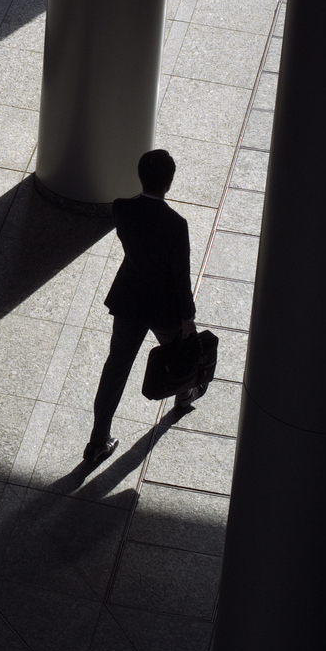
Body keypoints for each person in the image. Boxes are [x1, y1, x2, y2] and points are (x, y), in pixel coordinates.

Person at [84, 148, 197, 464]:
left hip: (130, 299)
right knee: (180, 353)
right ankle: (184, 393)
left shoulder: (122, 209)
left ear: (140, 176)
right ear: (169, 183)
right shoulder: (177, 224)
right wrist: (187, 316)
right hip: (165, 307)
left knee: (116, 367)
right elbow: (180, 276)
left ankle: (97, 442)